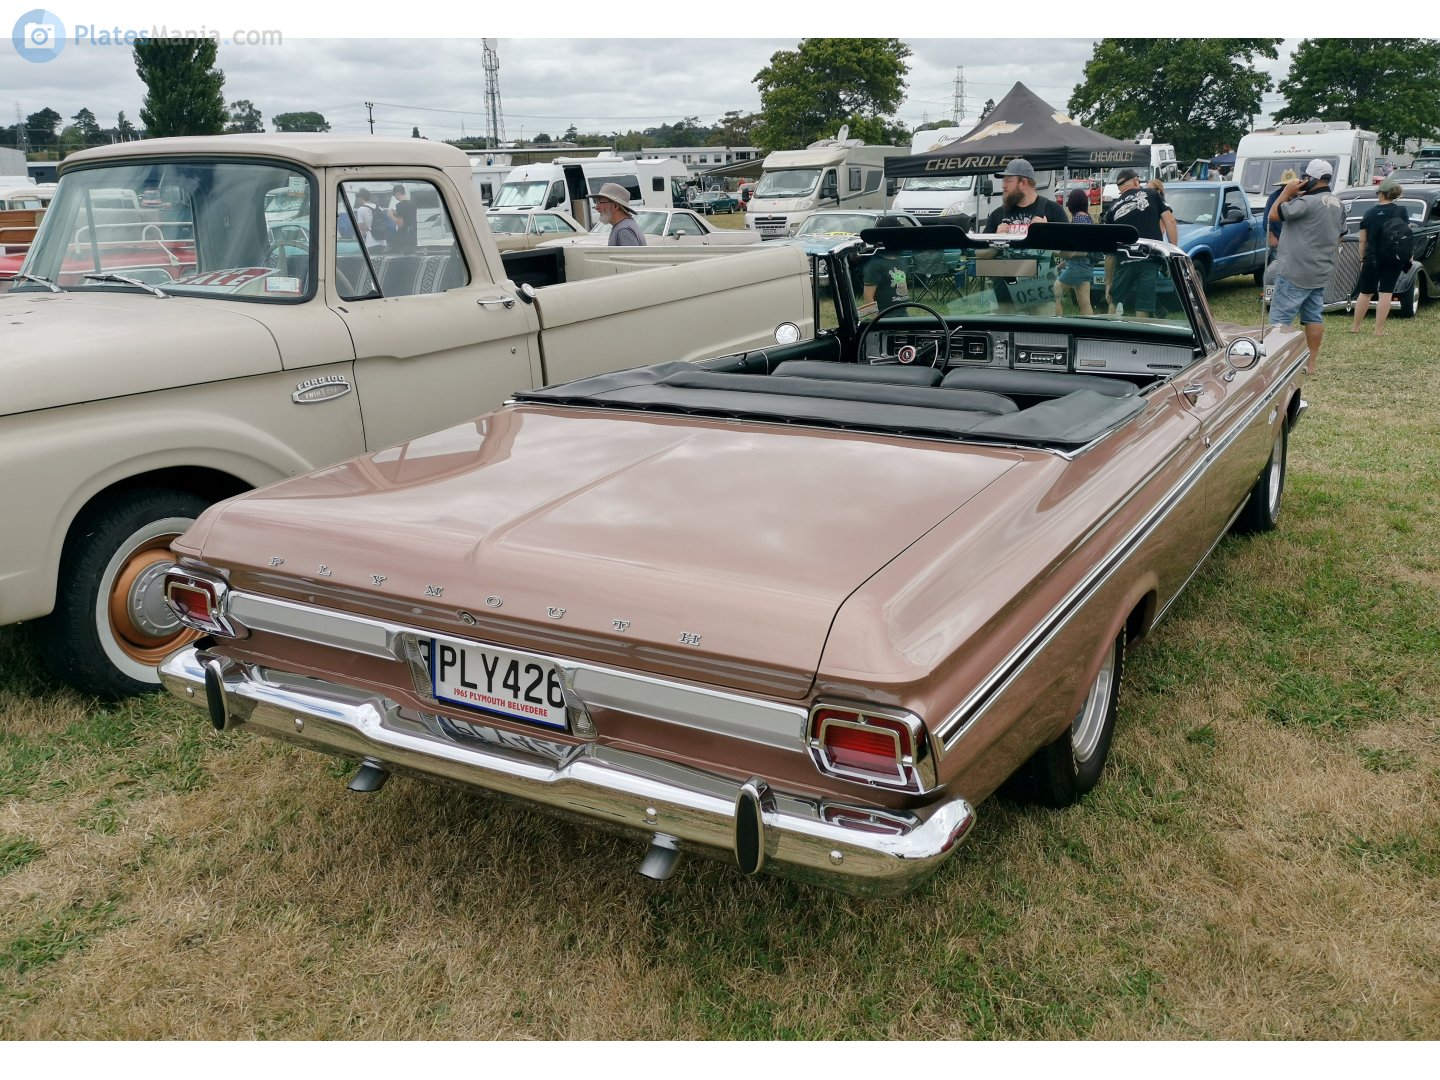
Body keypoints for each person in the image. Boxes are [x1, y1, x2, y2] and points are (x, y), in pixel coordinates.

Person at [1269, 158, 1345, 374]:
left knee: (1279, 320)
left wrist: (1286, 192)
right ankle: (1310, 364)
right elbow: (1340, 235)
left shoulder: (1306, 202)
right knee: (1313, 317)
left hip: (1294, 269)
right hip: (1320, 269)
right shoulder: (1338, 204)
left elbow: (1274, 214)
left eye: (1305, 177)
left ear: (1311, 179)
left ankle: (1278, 365)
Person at [1102, 167, 1179, 317]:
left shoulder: (1111, 210)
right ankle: (1141, 330)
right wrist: (1173, 251)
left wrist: (1108, 284)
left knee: (1114, 301)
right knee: (1144, 306)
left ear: (1120, 188)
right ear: (1136, 181)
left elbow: (1109, 254)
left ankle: (1110, 328)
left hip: (1124, 261)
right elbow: (1170, 221)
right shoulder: (1152, 194)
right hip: (1149, 259)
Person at [1350, 178, 1410, 337]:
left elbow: (1362, 240)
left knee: (1365, 293)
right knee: (1386, 292)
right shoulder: (1401, 211)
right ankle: (1378, 330)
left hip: (1372, 257)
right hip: (1393, 257)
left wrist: (1362, 259)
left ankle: (1355, 327)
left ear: (1382, 194)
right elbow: (1405, 235)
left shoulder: (1369, 213)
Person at [860, 214, 918, 314]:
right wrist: (876, 320)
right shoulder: (874, 265)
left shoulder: (902, 261)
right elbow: (868, 297)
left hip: (903, 315)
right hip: (885, 317)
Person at [1054, 187, 1095, 316]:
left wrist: (1057, 252)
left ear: (1071, 204)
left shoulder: (1078, 220)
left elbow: (1075, 249)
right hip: (1087, 267)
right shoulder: (1089, 219)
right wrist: (1062, 265)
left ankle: (1056, 324)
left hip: (1077, 267)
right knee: (1085, 303)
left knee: (1055, 294)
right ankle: (1091, 326)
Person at [589, 182, 646, 246]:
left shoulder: (624, 231)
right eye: (596, 202)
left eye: (600, 203)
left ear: (615, 206)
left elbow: (631, 253)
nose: (596, 207)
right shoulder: (623, 226)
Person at [389, 183, 417, 252]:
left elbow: (400, 224)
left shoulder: (399, 205)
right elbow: (407, 215)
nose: (395, 197)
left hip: (404, 238)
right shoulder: (412, 203)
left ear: (398, 193)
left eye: (395, 195)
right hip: (413, 237)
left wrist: (391, 215)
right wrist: (396, 212)